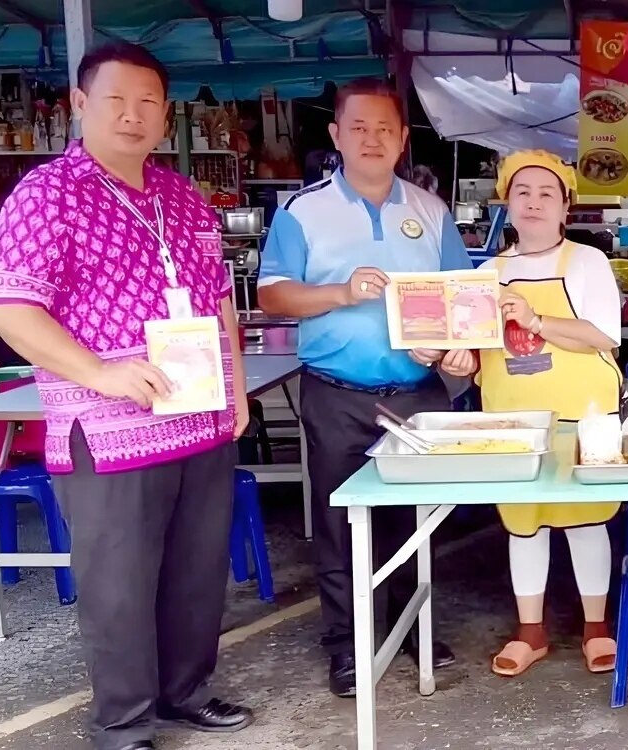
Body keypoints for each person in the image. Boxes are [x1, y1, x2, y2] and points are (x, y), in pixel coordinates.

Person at [0, 43, 251, 750]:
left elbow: (220, 298)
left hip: (201, 414)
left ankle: (185, 691)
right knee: (121, 585)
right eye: (116, 100)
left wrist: (237, 389)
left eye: (148, 102)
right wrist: (98, 371)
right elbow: (6, 306)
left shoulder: (182, 193)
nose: (133, 115)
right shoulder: (47, 193)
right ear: (80, 105)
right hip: (109, 426)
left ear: (166, 112)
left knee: (196, 573)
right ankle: (124, 725)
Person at [256, 78, 472, 699]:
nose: (372, 139)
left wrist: (459, 348)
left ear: (404, 139)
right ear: (336, 137)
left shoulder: (431, 212)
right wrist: (340, 292)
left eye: (385, 129)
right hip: (337, 393)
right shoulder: (303, 212)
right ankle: (348, 646)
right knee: (340, 522)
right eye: (359, 128)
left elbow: (463, 297)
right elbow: (272, 295)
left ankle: (417, 628)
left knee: (419, 523)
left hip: (418, 393)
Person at [442, 150, 622, 677]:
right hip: (513, 422)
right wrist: (459, 357)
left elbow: (604, 336)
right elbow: (474, 352)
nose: (534, 202)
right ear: (506, 204)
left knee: (587, 521)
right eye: (523, 192)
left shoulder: (588, 262)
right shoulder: (487, 273)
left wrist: (537, 319)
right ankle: (531, 630)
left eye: (548, 193)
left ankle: (596, 628)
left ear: (567, 207)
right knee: (524, 525)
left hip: (581, 418)